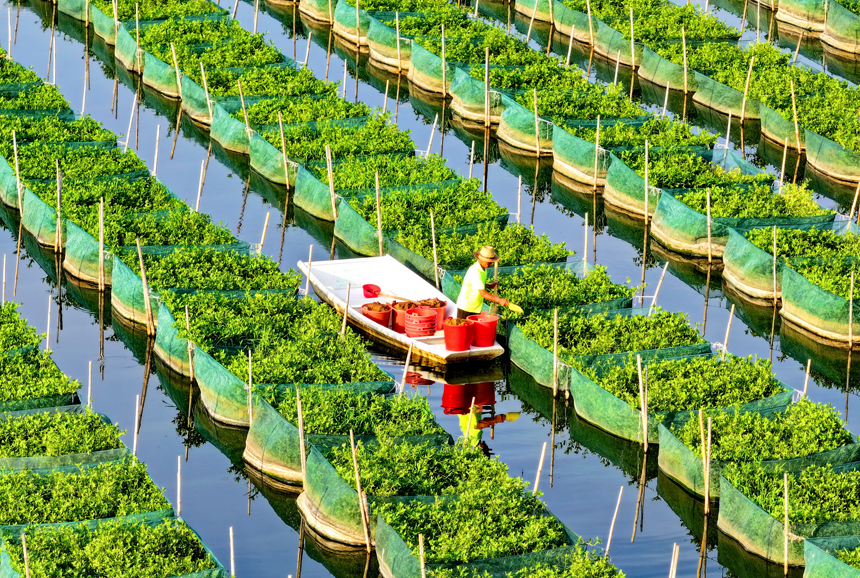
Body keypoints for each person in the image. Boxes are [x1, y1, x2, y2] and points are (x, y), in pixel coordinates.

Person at [456, 245, 515, 319]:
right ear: (481, 259)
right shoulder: (476, 271)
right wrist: (499, 300)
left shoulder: (483, 269)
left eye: (492, 262)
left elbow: (478, 284)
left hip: (475, 307)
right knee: (463, 329)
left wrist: (490, 286)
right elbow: (482, 293)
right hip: (466, 307)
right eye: (489, 262)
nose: (491, 264)